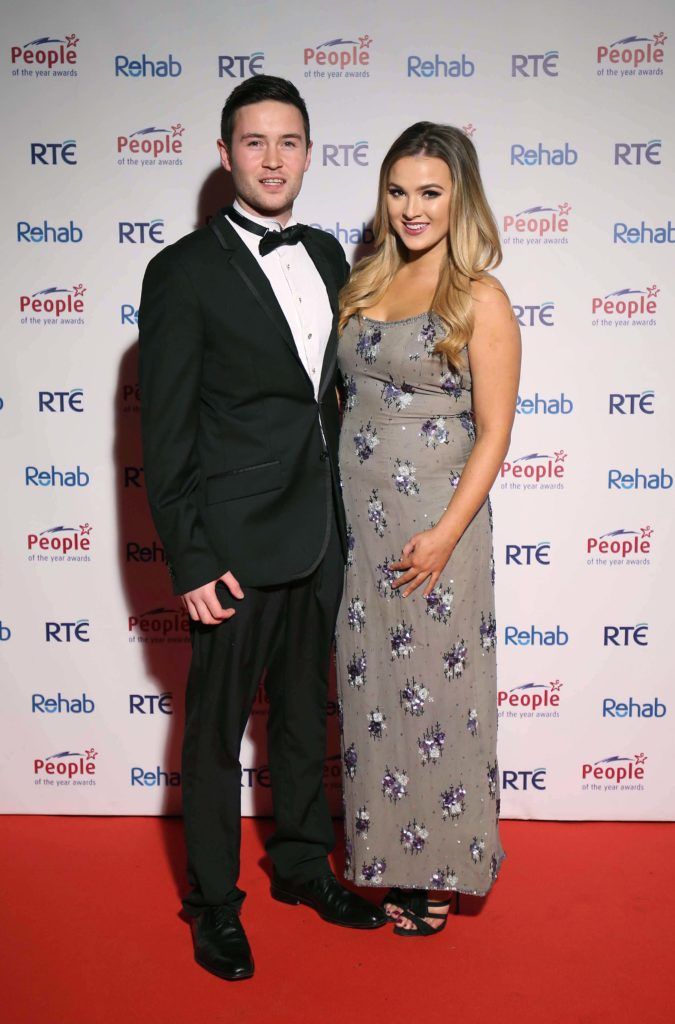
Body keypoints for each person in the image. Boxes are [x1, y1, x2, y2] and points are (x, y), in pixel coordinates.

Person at [138, 75, 386, 983]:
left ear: (310, 152)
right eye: (254, 142)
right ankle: (211, 903)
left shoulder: (326, 253)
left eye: (289, 141)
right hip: (235, 549)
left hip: (321, 533)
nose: (273, 158)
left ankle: (300, 868)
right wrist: (191, 554)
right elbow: (162, 434)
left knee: (302, 716)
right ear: (225, 153)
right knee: (212, 733)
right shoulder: (180, 272)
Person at [335, 122, 521, 936]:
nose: (412, 208)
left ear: (460, 198)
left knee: (438, 699)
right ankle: (384, 860)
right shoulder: (364, 279)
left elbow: (494, 432)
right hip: (354, 530)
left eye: (430, 192)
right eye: (398, 191)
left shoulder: (478, 295)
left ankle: (439, 869)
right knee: (371, 692)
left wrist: (446, 533)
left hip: (435, 529)